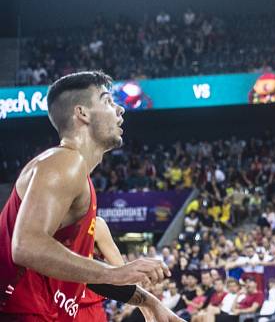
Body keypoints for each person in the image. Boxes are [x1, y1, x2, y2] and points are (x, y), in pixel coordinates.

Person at [0, 71, 180, 321]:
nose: (120, 109)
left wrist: (148, 302)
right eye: (107, 100)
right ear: (82, 113)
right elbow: (26, 246)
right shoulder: (64, 161)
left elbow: (80, 269)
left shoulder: (77, 176)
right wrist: (115, 273)